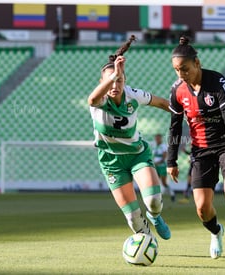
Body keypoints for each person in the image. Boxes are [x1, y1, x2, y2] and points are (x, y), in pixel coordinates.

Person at [166, 36, 225, 265]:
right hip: (200, 150)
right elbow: (174, 125)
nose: (181, 74)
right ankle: (216, 231)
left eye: (185, 69)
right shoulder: (177, 91)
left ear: (197, 63)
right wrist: (171, 160)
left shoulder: (217, 82)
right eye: (177, 70)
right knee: (201, 208)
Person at [88, 35, 171, 241]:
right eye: (110, 81)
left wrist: (188, 114)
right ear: (102, 83)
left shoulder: (133, 94)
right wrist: (112, 74)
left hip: (137, 155)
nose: (115, 84)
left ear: (125, 80)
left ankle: (155, 215)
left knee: (153, 200)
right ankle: (148, 244)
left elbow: (162, 103)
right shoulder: (99, 101)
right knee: (134, 219)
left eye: (119, 79)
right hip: (111, 162)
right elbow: (91, 99)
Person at [152, 133, 175, 202]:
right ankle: (158, 197)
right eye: (156, 138)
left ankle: (172, 193)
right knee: (156, 182)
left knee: (164, 182)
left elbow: (164, 157)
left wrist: (158, 163)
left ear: (161, 138)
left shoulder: (163, 146)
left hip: (162, 166)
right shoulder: (155, 146)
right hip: (156, 166)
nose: (157, 139)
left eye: (158, 138)